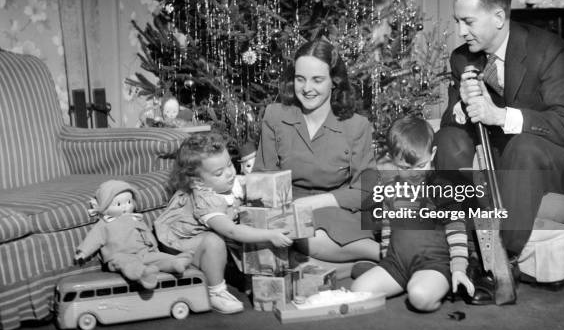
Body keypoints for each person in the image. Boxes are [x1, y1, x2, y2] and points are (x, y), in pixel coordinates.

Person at [436, 0, 564, 301]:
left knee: (522, 146)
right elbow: (451, 126)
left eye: (468, 21)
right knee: (447, 141)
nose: (461, 31)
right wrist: (463, 108)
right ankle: (465, 254)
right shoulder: (462, 57)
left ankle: (498, 263)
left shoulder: (547, 49)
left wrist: (500, 116)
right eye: (458, 21)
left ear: (498, 17)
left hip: (552, 162)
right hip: (496, 164)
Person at [254, 39, 378, 264]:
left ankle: (382, 255)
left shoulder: (357, 125)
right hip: (289, 212)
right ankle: (380, 257)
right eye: (300, 79)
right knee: (301, 232)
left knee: (315, 236)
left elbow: (365, 191)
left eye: (317, 80)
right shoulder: (274, 115)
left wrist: (314, 203)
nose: (307, 88)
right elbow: (263, 176)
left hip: (338, 209)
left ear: (334, 82)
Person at [154, 132, 293, 314]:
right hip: (181, 244)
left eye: (229, 165)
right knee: (215, 242)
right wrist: (270, 235)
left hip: (206, 233)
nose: (229, 174)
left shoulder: (227, 183)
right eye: (219, 173)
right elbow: (232, 231)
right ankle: (216, 292)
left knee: (245, 223)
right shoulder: (205, 200)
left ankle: (252, 276)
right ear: (197, 181)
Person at [351, 117, 474, 312]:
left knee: (419, 296)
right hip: (397, 263)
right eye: (406, 168)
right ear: (393, 161)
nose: (415, 174)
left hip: (434, 263)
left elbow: (456, 228)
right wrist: (384, 258)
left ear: (432, 154)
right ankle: (406, 281)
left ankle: (443, 283)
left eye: (421, 166)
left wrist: (459, 267)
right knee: (358, 290)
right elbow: (387, 226)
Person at [75, 180, 193, 289]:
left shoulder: (136, 219)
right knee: (129, 265)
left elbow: (146, 233)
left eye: (129, 202)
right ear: (105, 207)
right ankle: (143, 274)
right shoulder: (104, 224)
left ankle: (175, 263)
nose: (126, 206)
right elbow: (94, 239)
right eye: (119, 204)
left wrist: (154, 248)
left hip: (143, 252)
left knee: (157, 258)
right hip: (119, 255)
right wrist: (83, 252)